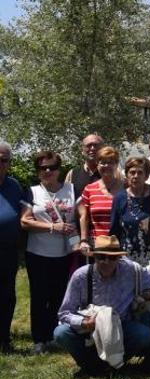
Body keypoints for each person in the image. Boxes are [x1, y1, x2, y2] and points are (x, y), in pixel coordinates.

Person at [54, 235, 150, 376]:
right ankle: (90, 365)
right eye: (101, 257)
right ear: (94, 257)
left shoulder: (131, 270)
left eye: (112, 258)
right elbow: (64, 313)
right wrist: (84, 322)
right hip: (89, 330)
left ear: (119, 258)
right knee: (60, 333)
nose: (106, 261)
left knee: (144, 335)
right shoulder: (81, 276)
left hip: (121, 326)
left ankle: (112, 365)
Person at [21, 151, 76, 354]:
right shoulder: (33, 192)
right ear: (38, 171)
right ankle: (39, 339)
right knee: (39, 296)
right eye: (43, 168)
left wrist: (79, 241)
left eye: (51, 167)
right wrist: (53, 228)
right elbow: (25, 221)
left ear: (58, 169)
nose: (47, 171)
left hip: (64, 253)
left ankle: (54, 335)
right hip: (38, 253)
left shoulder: (71, 189)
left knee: (59, 296)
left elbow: (79, 218)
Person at [109, 157, 150, 267]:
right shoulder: (119, 198)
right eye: (132, 172)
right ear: (127, 175)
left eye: (140, 172)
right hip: (126, 258)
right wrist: (113, 254)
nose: (135, 176)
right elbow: (114, 229)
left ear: (146, 176)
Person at [0, 143, 31, 353]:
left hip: (8, 251)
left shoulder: (14, 186)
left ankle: (4, 339)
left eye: (4, 160)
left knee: (6, 295)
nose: (0, 164)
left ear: (9, 163)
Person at [78, 146, 124, 248]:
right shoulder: (89, 189)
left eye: (111, 162)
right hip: (98, 246)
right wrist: (83, 240)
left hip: (123, 244)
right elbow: (84, 217)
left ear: (116, 165)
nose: (106, 165)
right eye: (103, 162)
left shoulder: (126, 187)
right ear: (97, 165)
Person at [65, 134, 103, 199]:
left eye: (96, 145)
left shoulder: (110, 172)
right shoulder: (73, 174)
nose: (92, 148)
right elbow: (67, 199)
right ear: (82, 151)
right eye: (88, 145)